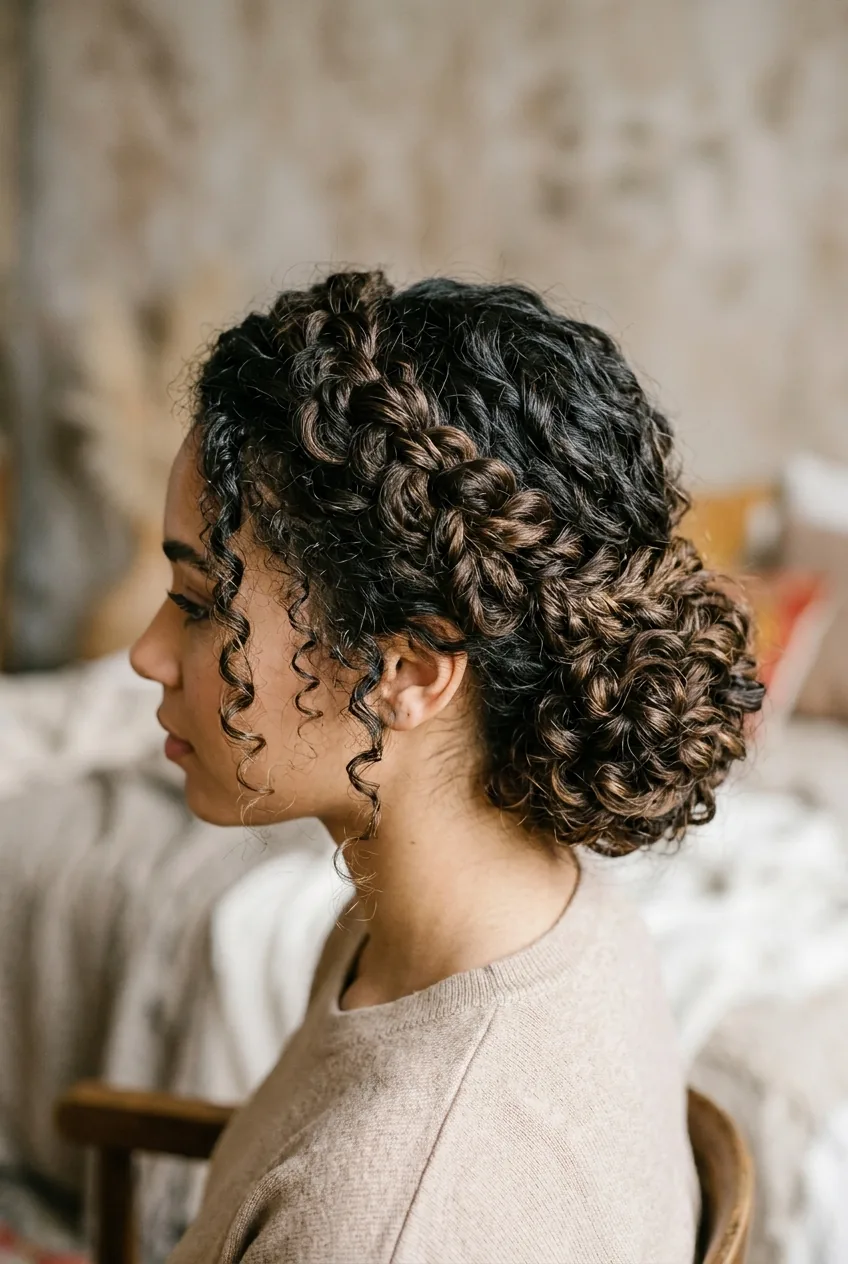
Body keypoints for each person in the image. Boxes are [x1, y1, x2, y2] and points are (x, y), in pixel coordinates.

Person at [130, 271, 764, 1263]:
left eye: (199, 601)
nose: (145, 655)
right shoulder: (500, 915)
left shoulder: (381, 1225)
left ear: (411, 671)